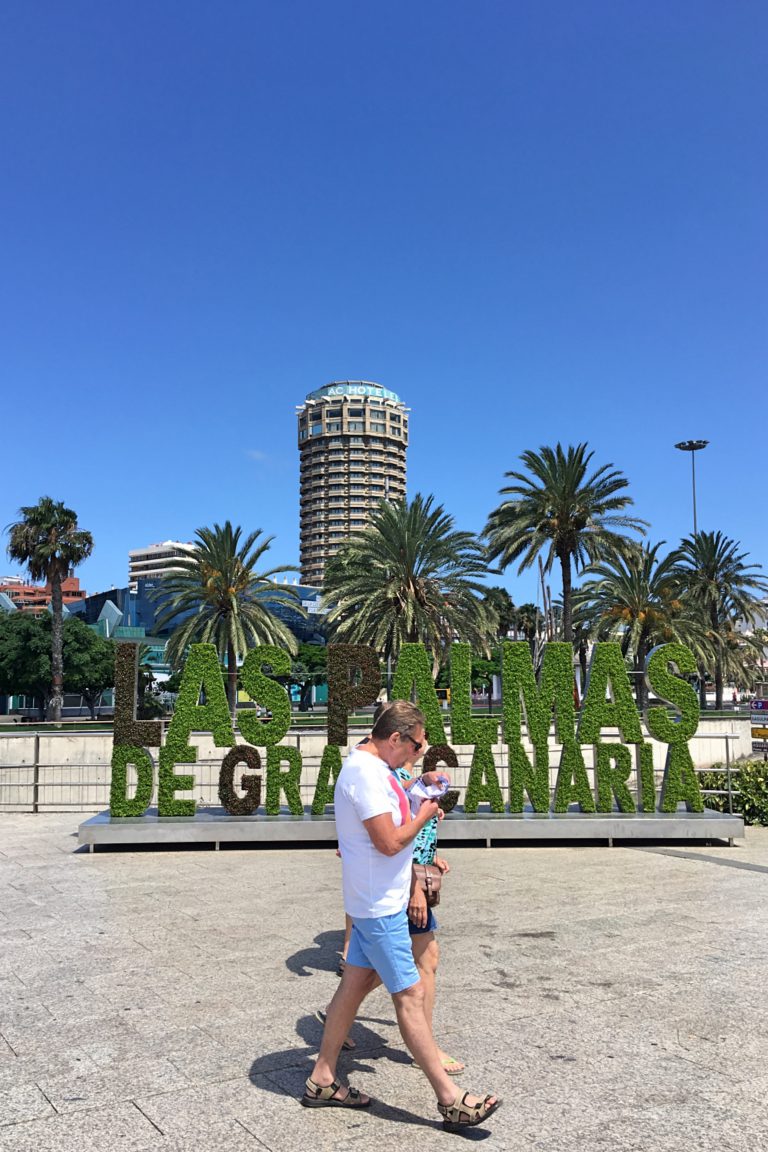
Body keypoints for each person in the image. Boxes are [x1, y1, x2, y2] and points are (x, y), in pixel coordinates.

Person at [301, 701, 502, 1131]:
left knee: (351, 989)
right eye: (415, 746)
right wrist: (427, 813)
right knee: (410, 996)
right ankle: (450, 1100)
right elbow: (389, 842)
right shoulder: (364, 774)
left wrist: (419, 789)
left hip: (376, 900)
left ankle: (322, 1078)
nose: (417, 754)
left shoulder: (381, 771)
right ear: (395, 738)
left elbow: (395, 808)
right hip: (380, 907)